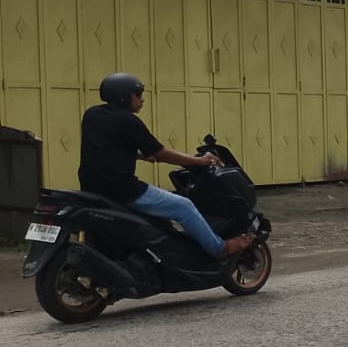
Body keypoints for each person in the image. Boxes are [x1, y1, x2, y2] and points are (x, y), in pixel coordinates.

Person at [79, 73, 256, 259]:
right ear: (124, 96)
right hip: (123, 190)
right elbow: (161, 153)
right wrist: (200, 161)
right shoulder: (128, 120)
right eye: (138, 95)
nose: (142, 99)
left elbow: (105, 146)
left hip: (93, 188)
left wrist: (138, 155)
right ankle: (219, 248)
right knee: (184, 206)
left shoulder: (92, 114)